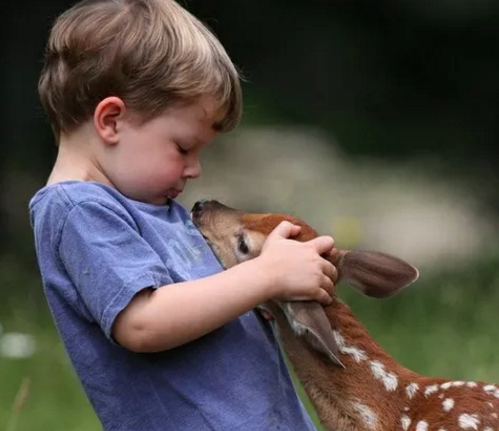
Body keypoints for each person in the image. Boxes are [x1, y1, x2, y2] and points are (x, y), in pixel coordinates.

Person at [29, 1, 337, 430]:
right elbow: (143, 323)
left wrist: (264, 296)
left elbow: (208, 300)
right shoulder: (78, 210)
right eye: (183, 147)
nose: (195, 169)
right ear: (112, 121)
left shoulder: (158, 207)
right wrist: (264, 277)